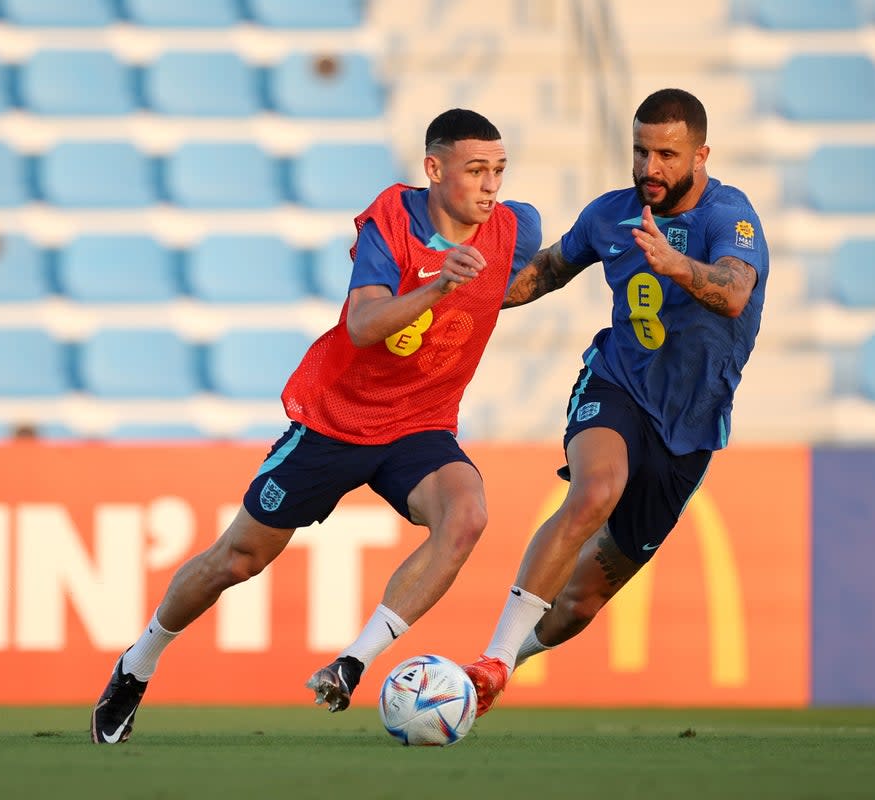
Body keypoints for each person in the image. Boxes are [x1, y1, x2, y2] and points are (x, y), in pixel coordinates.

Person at [90, 108, 542, 743]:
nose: (491, 185)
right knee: (236, 559)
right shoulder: (393, 220)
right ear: (434, 170)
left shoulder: (516, 227)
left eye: (498, 170)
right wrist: (440, 287)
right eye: (475, 171)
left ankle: (353, 662)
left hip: (419, 425)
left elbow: (516, 282)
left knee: (467, 515)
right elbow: (363, 324)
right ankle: (137, 665)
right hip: (337, 421)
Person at [460, 88, 768, 716]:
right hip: (618, 384)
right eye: (640, 151)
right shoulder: (610, 214)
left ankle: (503, 665)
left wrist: (677, 265)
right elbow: (545, 271)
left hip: (689, 426)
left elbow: (735, 292)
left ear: (701, 154)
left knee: (581, 604)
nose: (650, 168)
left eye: (666, 154)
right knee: (596, 488)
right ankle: (490, 656)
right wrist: (461, 292)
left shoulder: (729, 217)